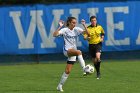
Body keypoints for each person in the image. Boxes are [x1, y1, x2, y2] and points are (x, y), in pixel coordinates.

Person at [53, 17, 89, 92]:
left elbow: (87, 33)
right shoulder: (65, 30)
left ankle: (59, 86)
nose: (74, 24)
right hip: (67, 51)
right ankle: (84, 69)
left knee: (68, 71)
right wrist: (60, 26)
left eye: (75, 22)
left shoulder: (77, 29)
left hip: (73, 52)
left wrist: (84, 25)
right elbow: (54, 34)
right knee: (79, 52)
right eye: (73, 22)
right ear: (69, 22)